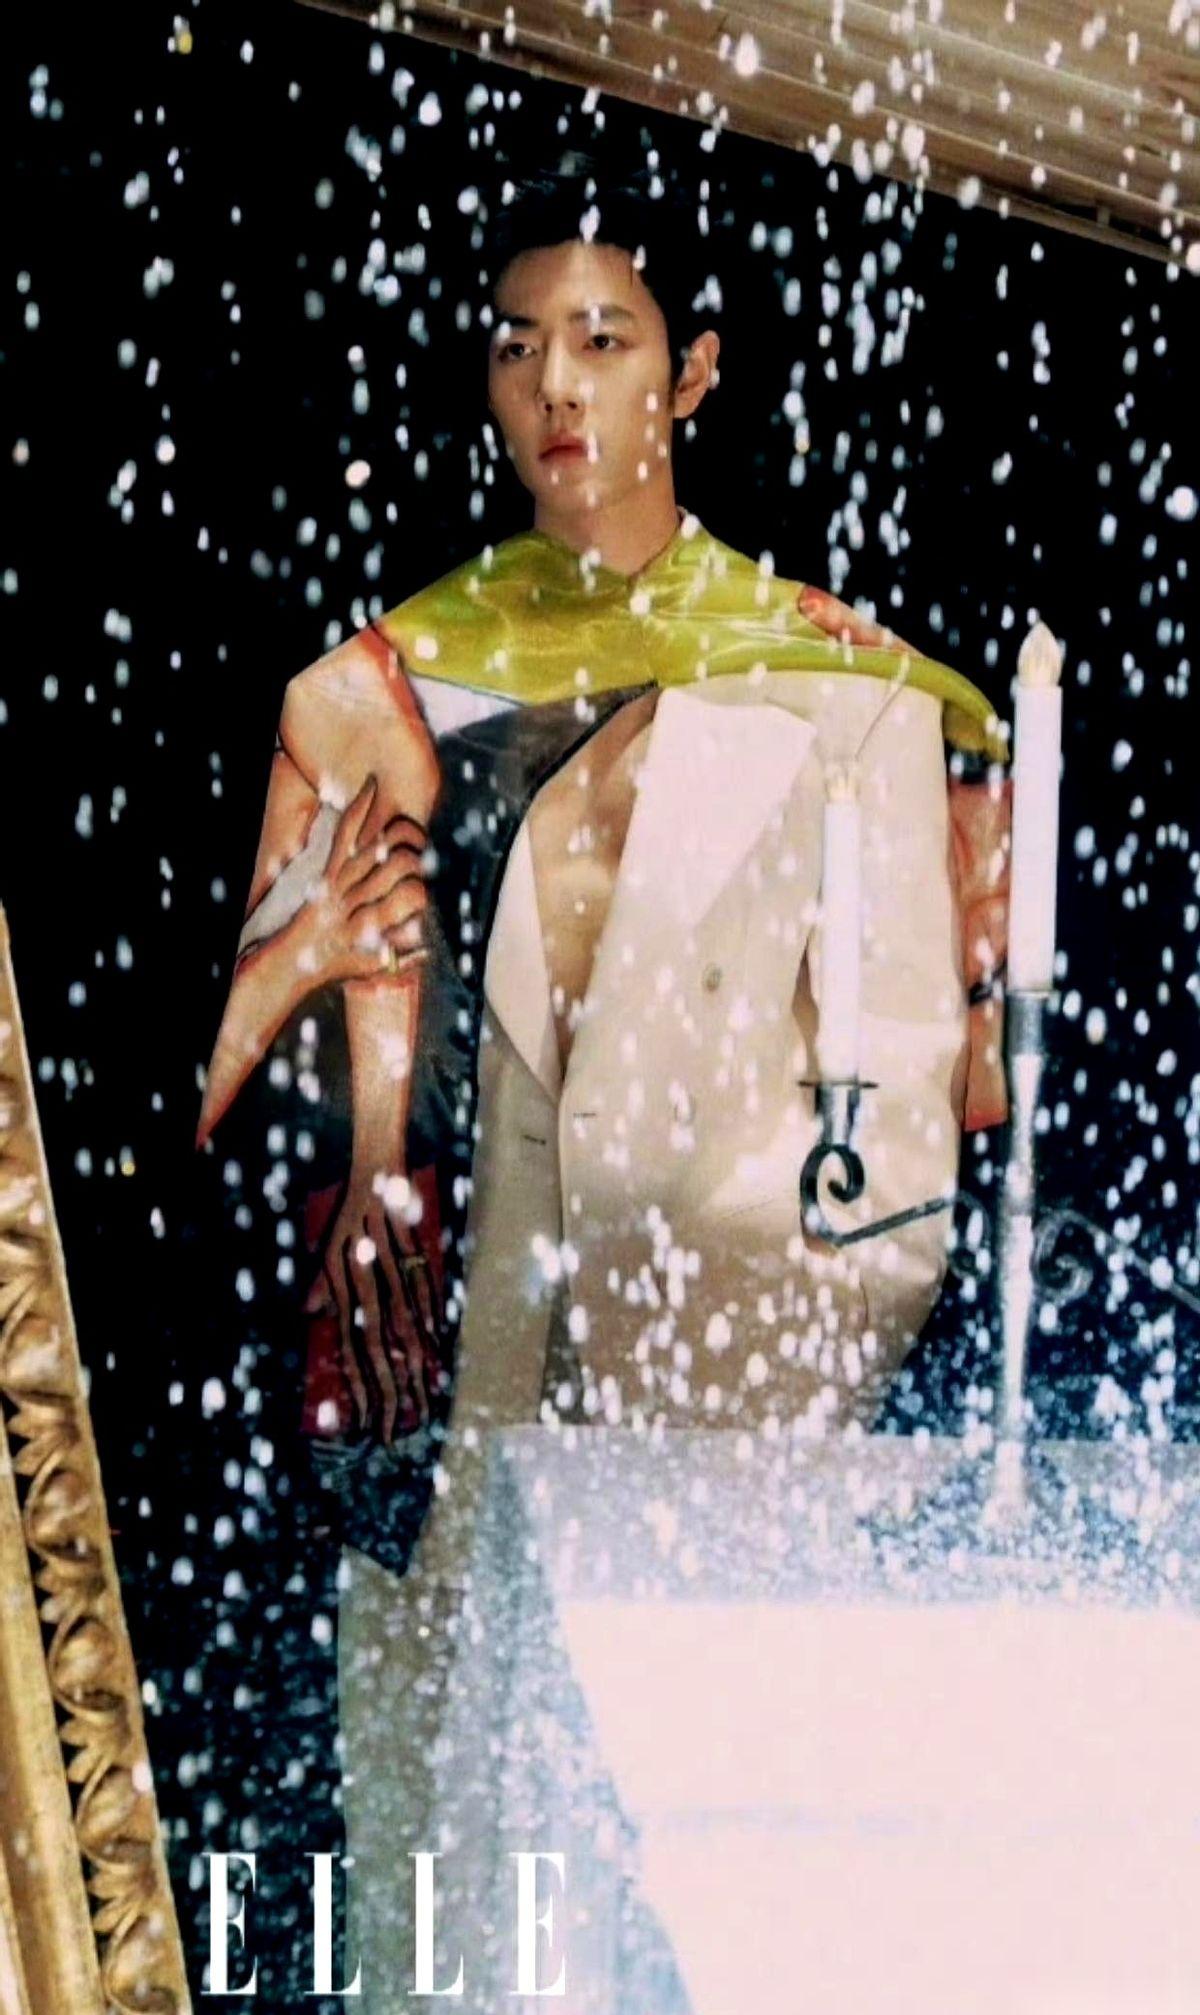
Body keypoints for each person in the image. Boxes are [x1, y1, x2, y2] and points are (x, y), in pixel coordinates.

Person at [198, 160, 1010, 2003]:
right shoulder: (374, 696)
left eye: (605, 339)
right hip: (436, 1418)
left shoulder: (841, 691)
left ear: (691, 372)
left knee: (675, 1935)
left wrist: (739, 1435)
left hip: (719, 1450)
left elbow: (908, 1163)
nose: (557, 387)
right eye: (518, 347)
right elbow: (261, 1108)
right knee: (440, 1925)